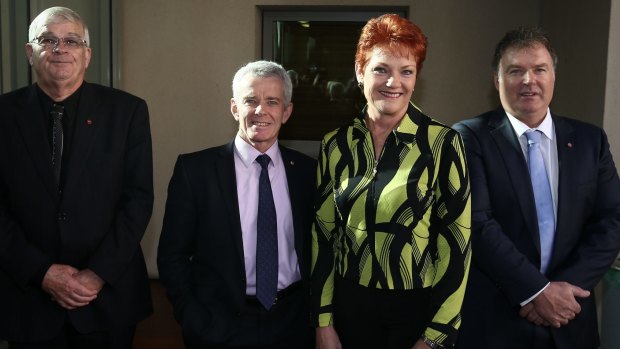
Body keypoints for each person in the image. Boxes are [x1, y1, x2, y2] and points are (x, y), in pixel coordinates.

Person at [453, 27, 620, 349]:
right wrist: (536, 292)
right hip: (497, 323)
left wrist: (564, 291)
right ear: (497, 81)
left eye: (539, 69)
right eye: (515, 71)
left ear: (553, 76)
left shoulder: (590, 141)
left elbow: (612, 218)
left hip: (570, 320)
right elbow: (477, 223)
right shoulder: (468, 137)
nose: (528, 80)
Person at [312, 14, 472, 349]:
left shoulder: (441, 143)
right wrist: (323, 320)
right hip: (348, 309)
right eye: (381, 69)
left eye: (406, 71)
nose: (393, 82)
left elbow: (457, 244)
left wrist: (436, 335)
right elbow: (324, 237)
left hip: (415, 312)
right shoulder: (336, 144)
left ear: (416, 77)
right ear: (360, 72)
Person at [0, 6, 153, 349]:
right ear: (30, 52)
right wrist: (42, 272)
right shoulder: (4, 115)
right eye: (47, 40)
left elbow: (138, 200)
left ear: (87, 55)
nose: (60, 49)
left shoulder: (127, 112)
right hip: (27, 299)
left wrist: (96, 274)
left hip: (106, 298)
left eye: (71, 40)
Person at [157, 60, 316, 349]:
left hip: (291, 324)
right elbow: (172, 255)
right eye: (250, 101)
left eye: (272, 101)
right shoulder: (195, 171)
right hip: (219, 324)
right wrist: (192, 316)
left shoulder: (307, 172)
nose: (261, 111)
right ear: (234, 107)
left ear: (287, 111)